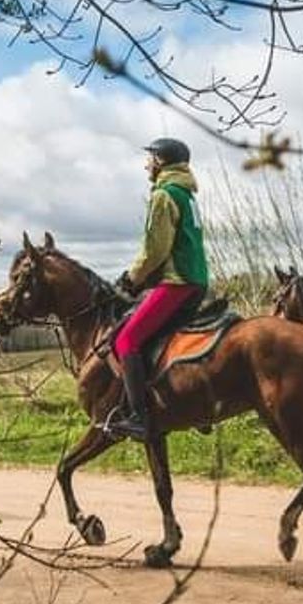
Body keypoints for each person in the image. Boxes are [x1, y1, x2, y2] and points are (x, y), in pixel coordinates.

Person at [103, 137, 210, 440]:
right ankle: (187, 403)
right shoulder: (187, 194)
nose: (146, 164)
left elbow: (155, 250)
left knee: (126, 340)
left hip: (177, 283)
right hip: (198, 281)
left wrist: (131, 279)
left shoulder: (163, 195)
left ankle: (138, 417)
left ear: (161, 161)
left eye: (149, 158)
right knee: (163, 341)